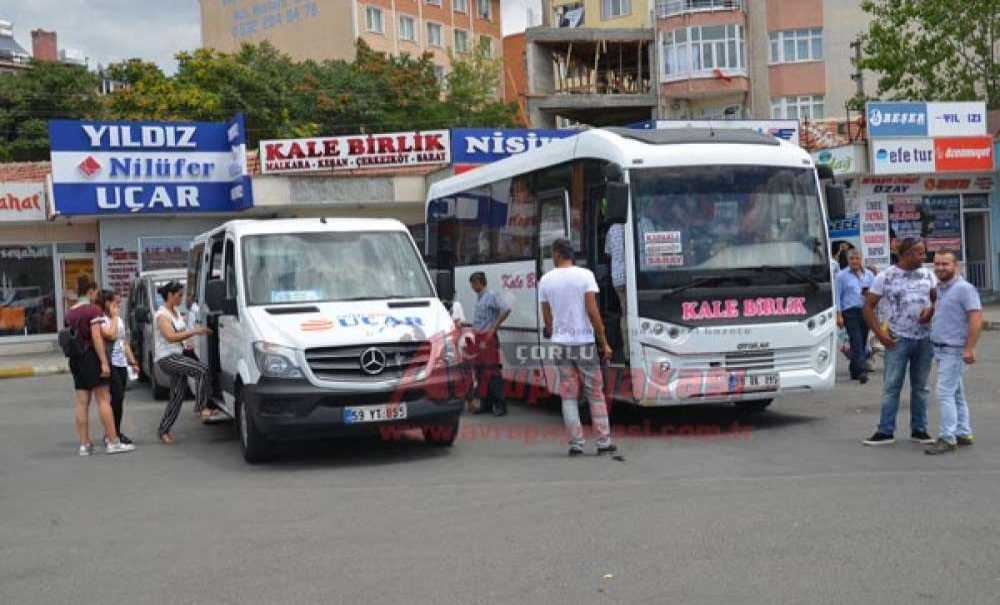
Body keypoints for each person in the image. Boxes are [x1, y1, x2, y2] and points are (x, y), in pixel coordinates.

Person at [539, 239, 615, 456]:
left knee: (569, 395)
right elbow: (592, 311)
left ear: (558, 254)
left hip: (561, 344)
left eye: (552, 254)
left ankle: (576, 444)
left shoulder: (546, 280)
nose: (552, 258)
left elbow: (547, 317)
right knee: (595, 393)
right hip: (584, 343)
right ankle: (603, 442)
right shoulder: (585, 276)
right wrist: (604, 341)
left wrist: (556, 332)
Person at [862, 238, 937, 446]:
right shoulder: (885, 277)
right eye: (919, 253)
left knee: (921, 387)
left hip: (924, 339)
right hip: (897, 338)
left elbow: (939, 299)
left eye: (924, 252)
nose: (924, 257)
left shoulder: (928, 274)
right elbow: (868, 307)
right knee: (892, 386)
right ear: (906, 254)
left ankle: (919, 430)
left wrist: (930, 312)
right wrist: (880, 334)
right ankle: (885, 431)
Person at [65, 276, 134, 456]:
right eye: (95, 291)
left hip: (75, 359)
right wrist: (104, 362)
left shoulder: (70, 311)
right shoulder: (92, 310)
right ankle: (113, 441)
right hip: (91, 357)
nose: (96, 295)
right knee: (103, 399)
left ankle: (84, 445)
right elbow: (96, 337)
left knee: (81, 403)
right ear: (90, 291)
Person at [925, 252, 982, 455]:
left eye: (945, 264)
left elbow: (976, 319)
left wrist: (969, 348)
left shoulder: (964, 289)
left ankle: (947, 438)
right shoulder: (941, 288)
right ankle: (964, 433)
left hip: (954, 350)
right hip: (941, 349)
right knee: (956, 393)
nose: (940, 267)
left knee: (944, 393)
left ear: (955, 265)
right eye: (937, 263)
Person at [154, 281, 212, 444]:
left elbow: (181, 335)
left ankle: (163, 430)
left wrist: (191, 340)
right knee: (201, 370)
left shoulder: (176, 312)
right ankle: (201, 408)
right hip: (167, 358)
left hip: (177, 355)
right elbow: (170, 336)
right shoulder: (162, 315)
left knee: (177, 396)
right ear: (170, 295)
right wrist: (194, 331)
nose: (181, 298)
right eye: (179, 295)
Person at [97, 290, 139, 445]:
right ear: (106, 303)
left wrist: (133, 361)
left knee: (119, 399)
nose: (117, 305)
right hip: (110, 362)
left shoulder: (118, 318)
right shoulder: (102, 319)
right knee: (116, 397)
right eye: (114, 302)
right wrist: (114, 317)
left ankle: (115, 431)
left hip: (121, 362)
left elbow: (124, 341)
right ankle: (112, 433)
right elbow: (111, 335)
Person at [468, 272, 510, 416]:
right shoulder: (479, 298)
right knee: (480, 371)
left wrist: (494, 327)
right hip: (478, 338)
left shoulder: (491, 295)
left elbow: (506, 309)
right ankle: (485, 403)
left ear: (480, 282)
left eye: (474, 283)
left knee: (492, 371)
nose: (472, 287)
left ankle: (500, 404)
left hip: (488, 338)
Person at [835, 250, 875, 384]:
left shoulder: (869, 275)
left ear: (861, 259)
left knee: (862, 341)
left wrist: (869, 295)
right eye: (852, 259)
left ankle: (854, 368)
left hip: (865, 310)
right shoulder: (841, 276)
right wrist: (839, 315)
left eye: (857, 258)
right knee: (856, 339)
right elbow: (837, 297)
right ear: (848, 260)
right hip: (849, 312)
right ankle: (861, 371)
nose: (855, 261)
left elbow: (875, 293)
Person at [604, 222, 628, 359]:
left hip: (618, 278)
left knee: (624, 313)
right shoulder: (643, 221)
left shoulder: (612, 229)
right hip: (637, 279)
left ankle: (626, 351)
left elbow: (608, 254)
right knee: (632, 314)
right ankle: (631, 351)